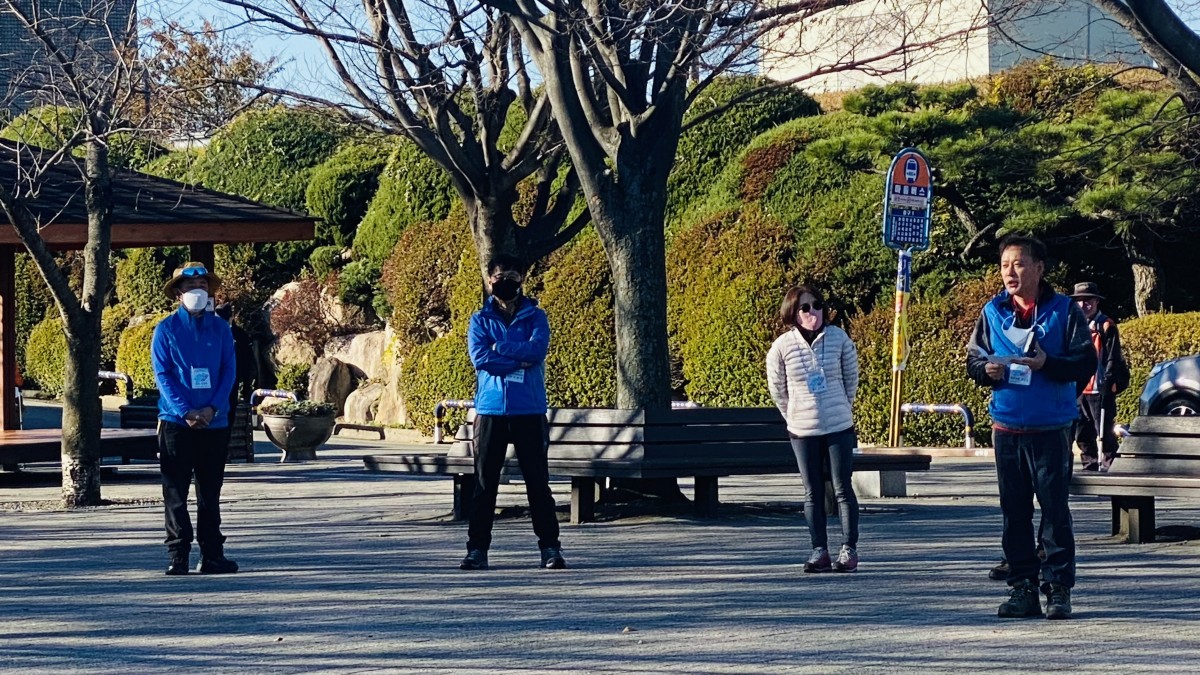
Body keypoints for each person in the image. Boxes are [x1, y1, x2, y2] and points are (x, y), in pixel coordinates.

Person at [967, 236, 1096, 620]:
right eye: (1005, 265)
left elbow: (1084, 363)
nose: (1010, 272)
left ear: (1039, 268)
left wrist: (1047, 365)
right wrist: (986, 371)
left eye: (1019, 264)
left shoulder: (1064, 311)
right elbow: (973, 361)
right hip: (1007, 427)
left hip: (1051, 427)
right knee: (1015, 513)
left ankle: (1058, 588)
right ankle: (1022, 587)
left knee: (1055, 512)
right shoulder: (992, 311)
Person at [460, 254, 565, 571]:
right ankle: (477, 550)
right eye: (499, 276)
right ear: (489, 280)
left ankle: (550, 548)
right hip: (491, 409)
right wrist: (518, 360)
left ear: (522, 280)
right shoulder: (480, 319)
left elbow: (537, 351)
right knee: (484, 485)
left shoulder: (537, 316)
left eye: (512, 276)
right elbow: (480, 358)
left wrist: (499, 348)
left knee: (538, 483)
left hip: (528, 409)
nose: (505, 281)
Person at [767, 285, 861, 573]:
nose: (812, 312)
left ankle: (849, 549)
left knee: (842, 487)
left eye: (817, 305)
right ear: (793, 312)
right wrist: (794, 415)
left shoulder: (838, 338)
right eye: (805, 308)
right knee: (812, 491)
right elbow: (778, 388)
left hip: (838, 425)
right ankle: (819, 549)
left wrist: (841, 406)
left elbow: (851, 378)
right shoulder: (782, 346)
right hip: (802, 429)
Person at [153, 262, 239, 576]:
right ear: (178, 293)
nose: (198, 291)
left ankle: (212, 554)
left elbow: (229, 372)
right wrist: (185, 411)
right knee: (175, 492)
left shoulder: (221, 329)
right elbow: (162, 375)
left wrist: (212, 408)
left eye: (203, 285)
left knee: (209, 492)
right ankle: (178, 555)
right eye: (191, 286)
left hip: (214, 422)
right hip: (176, 423)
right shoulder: (165, 330)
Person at [1070, 282, 1130, 472]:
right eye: (1079, 301)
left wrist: (1109, 379)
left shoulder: (1106, 325)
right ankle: (1089, 464)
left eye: (1087, 300)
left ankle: (1111, 465)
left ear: (1096, 301)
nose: (1083, 305)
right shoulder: (1074, 325)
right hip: (1080, 388)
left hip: (1100, 387)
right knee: (1082, 431)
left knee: (1104, 431)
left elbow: (1113, 356)